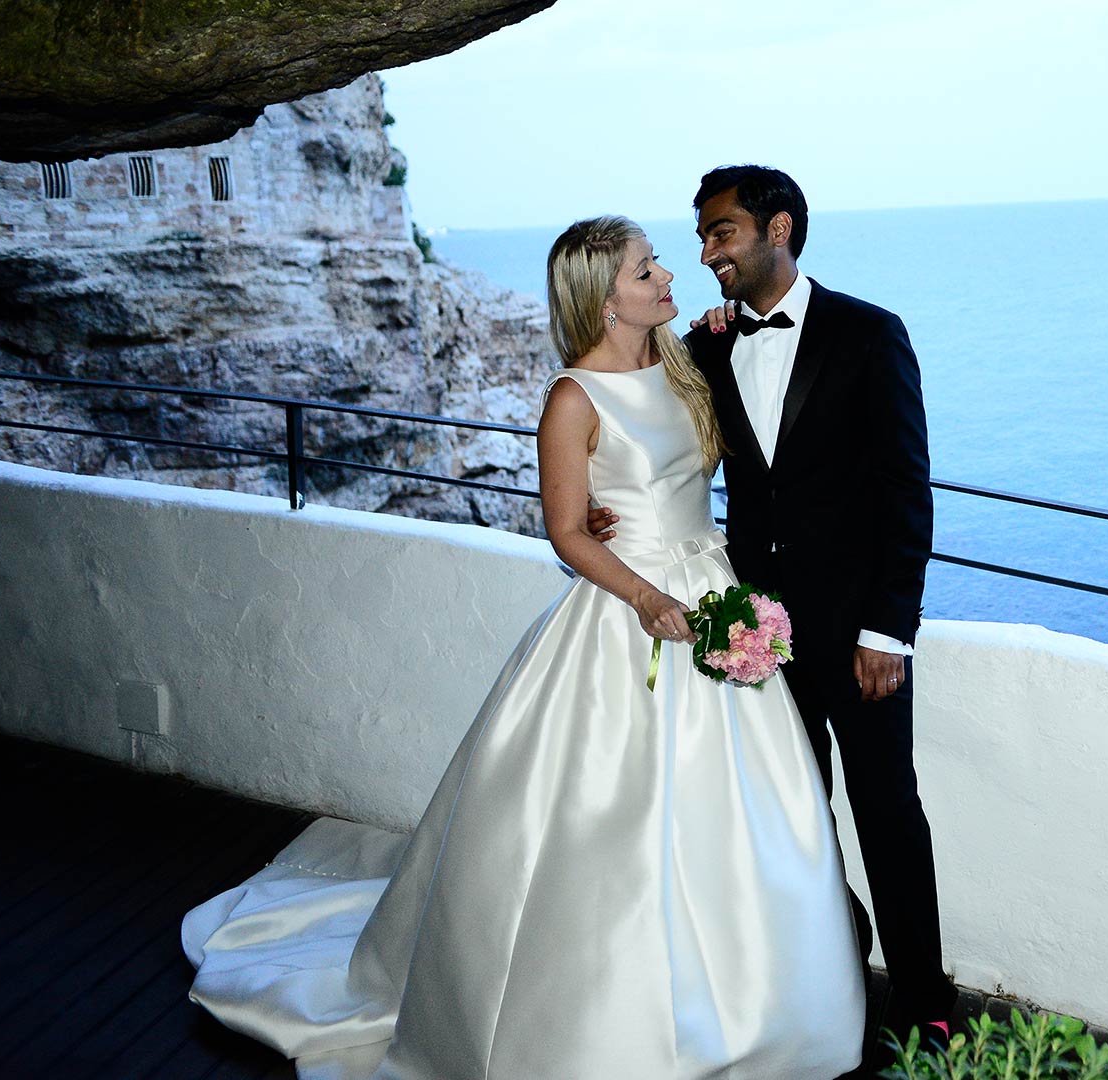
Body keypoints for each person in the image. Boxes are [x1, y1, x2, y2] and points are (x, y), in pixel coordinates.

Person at [181, 215, 865, 1080]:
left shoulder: (685, 363)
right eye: (646, 269)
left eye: (657, 263)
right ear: (603, 298)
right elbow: (568, 532)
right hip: (632, 615)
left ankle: (754, 998)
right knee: (610, 823)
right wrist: (647, 596)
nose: (668, 275)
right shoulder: (573, 398)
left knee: (748, 813)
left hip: (714, 593)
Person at [591, 165, 952, 1067]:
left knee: (887, 814)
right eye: (701, 237)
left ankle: (926, 1000)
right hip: (750, 631)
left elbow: (906, 489)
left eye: (721, 233)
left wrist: (888, 630)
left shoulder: (870, 333)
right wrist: (601, 508)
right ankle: (826, 977)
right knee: (789, 818)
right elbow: (641, 433)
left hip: (859, 637)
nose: (706, 252)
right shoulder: (703, 347)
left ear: (778, 228)